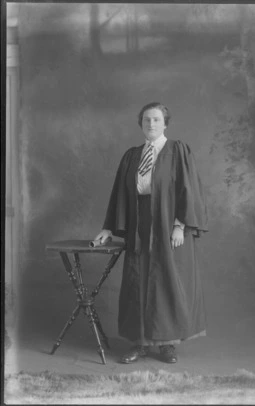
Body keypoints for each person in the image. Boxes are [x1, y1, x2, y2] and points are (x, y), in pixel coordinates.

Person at [94, 102, 208, 364]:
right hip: (139, 222)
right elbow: (120, 194)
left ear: (165, 123)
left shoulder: (178, 151)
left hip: (169, 223)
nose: (151, 124)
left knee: (166, 281)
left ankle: (167, 344)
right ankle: (141, 343)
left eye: (156, 120)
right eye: (147, 120)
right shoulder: (132, 155)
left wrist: (180, 226)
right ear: (141, 124)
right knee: (139, 281)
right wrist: (108, 227)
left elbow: (188, 189)